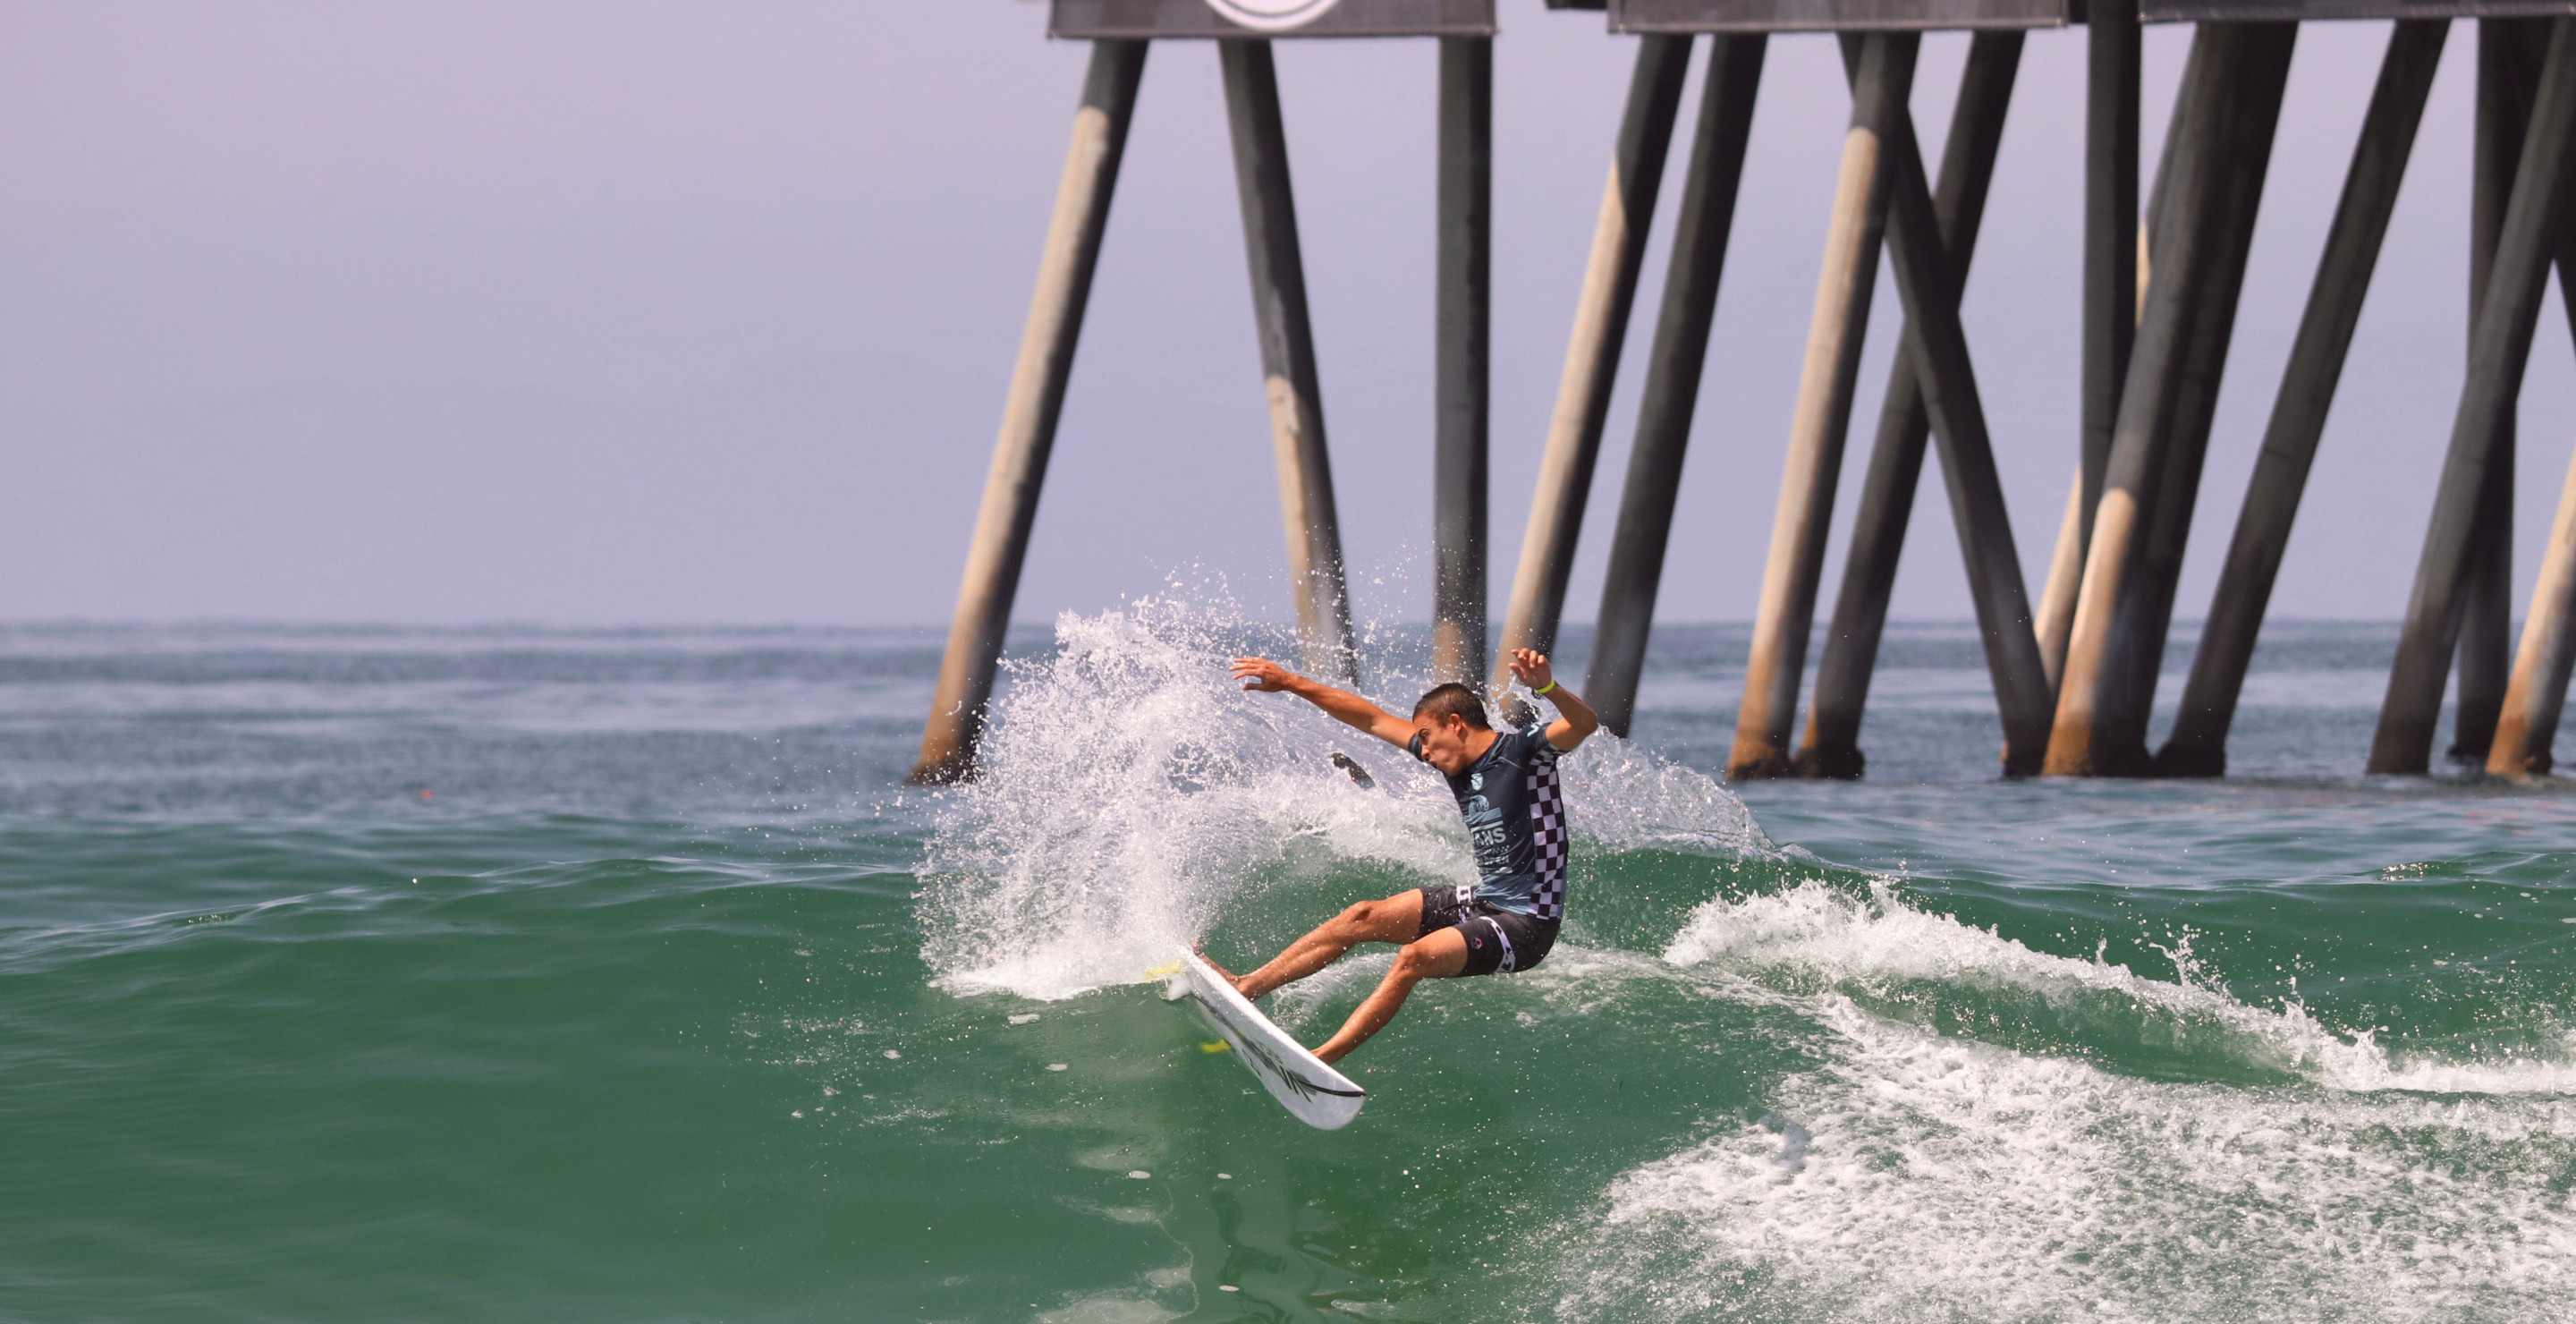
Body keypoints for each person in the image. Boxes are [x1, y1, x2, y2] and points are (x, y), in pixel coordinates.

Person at [1206, 648, 1598, 1064]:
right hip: (1486, 900)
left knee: (1413, 958)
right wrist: (1290, 682)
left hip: (1528, 924)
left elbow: (1583, 724)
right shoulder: (1454, 764)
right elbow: (1371, 718)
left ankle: (1320, 1058)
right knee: (1360, 916)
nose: (1423, 752)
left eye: (1426, 737)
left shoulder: (1525, 752)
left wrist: (1548, 688)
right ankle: (1247, 986)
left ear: (1455, 723)